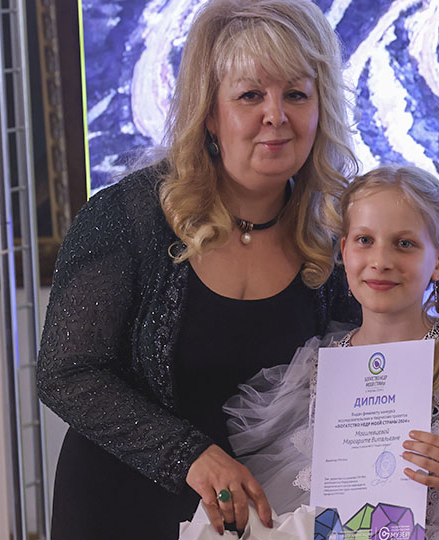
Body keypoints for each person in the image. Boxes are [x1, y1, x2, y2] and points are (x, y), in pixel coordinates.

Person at [36, 0, 360, 537]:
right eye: (250, 95)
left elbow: (378, 357)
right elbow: (66, 374)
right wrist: (191, 455)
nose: (276, 115)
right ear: (210, 113)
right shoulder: (125, 217)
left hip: (264, 521)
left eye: (296, 94)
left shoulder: (340, 232)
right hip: (120, 510)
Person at [223, 166, 439, 539]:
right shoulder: (316, 371)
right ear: (344, 251)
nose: (381, 260)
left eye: (404, 244)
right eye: (365, 240)